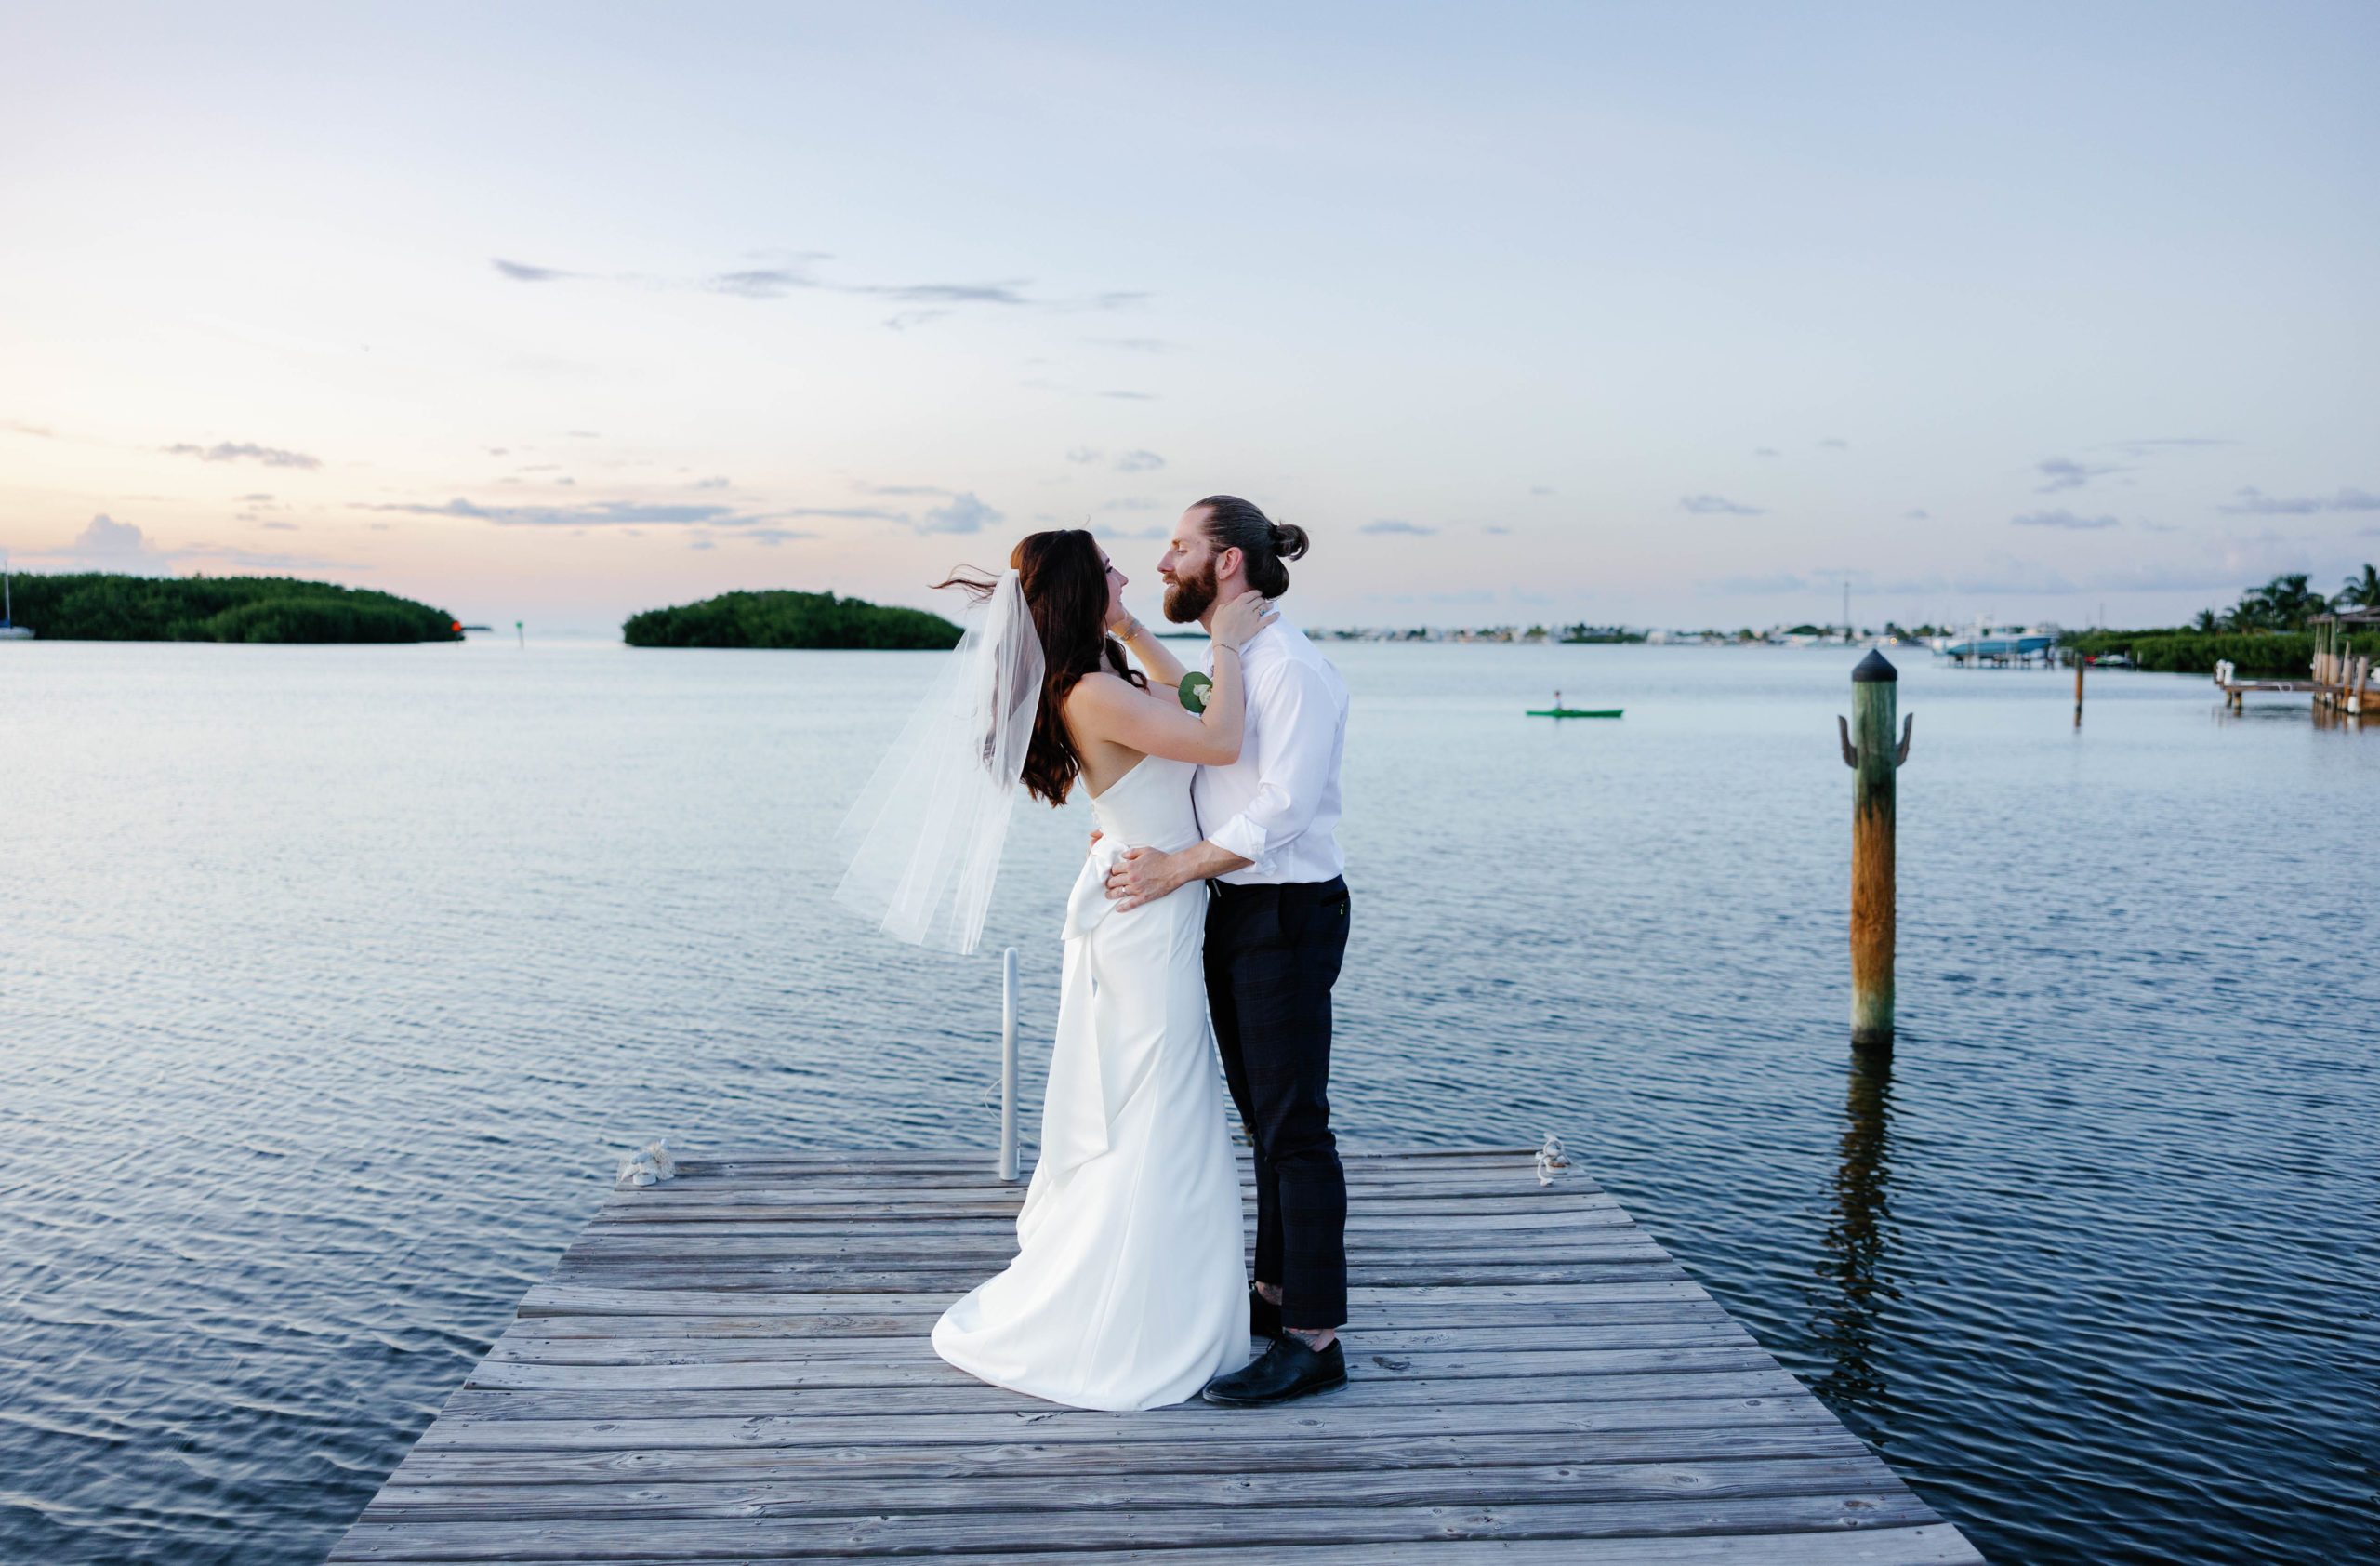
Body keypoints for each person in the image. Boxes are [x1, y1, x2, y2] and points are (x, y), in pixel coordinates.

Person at [834, 527, 1276, 1411]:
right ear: (1082, 588)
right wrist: (1226, 642)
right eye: (1110, 565)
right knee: (1157, 1111)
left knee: (1159, 1104)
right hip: (1144, 919)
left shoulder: (1098, 681)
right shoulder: (1093, 693)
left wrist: (1149, 633)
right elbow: (1222, 738)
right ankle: (1139, 1318)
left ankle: (1181, 1305)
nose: (1127, 570)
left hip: (1144, 898)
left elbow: (1184, 708)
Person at [1102, 495, 1354, 1407]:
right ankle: (1276, 1293)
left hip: (1285, 913)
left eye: (1177, 547)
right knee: (1267, 1120)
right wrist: (1127, 623)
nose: (1163, 560)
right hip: (1240, 911)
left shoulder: (1288, 666)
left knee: (1296, 1128)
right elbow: (1195, 700)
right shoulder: (1241, 659)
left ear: (1228, 564)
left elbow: (1281, 805)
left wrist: (1175, 868)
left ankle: (1313, 1337)